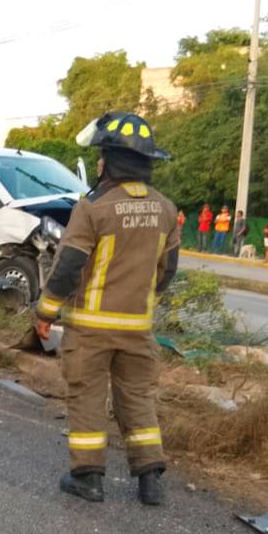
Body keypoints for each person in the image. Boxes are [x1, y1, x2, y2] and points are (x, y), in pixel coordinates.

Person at [33, 110, 178, 507]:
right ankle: (150, 481)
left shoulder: (93, 207)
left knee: (88, 397)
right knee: (137, 399)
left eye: (101, 156)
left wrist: (46, 312)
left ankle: (88, 478)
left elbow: (67, 267)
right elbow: (168, 271)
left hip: (91, 329)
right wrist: (140, 302)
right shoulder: (165, 208)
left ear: (112, 161)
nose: (97, 163)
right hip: (138, 328)